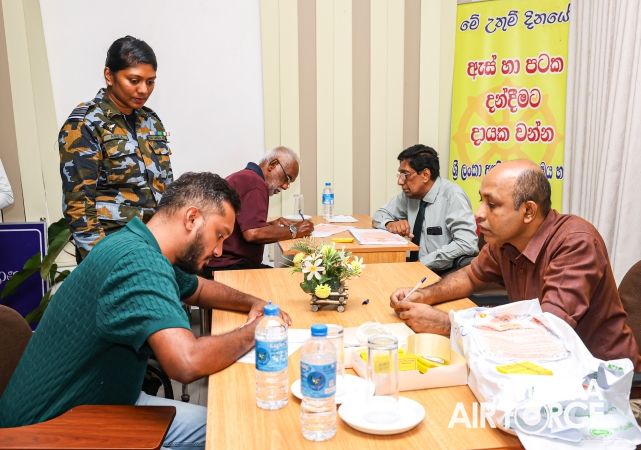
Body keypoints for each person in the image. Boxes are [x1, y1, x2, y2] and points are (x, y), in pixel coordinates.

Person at [0, 172, 292, 450]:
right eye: (219, 234)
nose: (219, 250)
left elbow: (198, 289)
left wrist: (256, 303)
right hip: (47, 432)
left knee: (234, 425)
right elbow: (187, 362)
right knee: (239, 433)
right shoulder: (139, 262)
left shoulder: (135, 245)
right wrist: (256, 331)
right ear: (192, 218)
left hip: (106, 403)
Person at [390, 159, 641, 371]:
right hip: (542, 365)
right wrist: (423, 295)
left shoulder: (575, 242)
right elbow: (469, 276)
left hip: (601, 378)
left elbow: (547, 335)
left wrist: (448, 324)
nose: (479, 213)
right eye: (481, 201)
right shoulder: (505, 240)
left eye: (492, 204)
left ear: (528, 211)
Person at [59, 36, 172, 263]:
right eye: (134, 80)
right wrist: (101, 262)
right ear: (109, 76)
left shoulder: (151, 121)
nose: (143, 90)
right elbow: (79, 205)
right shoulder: (86, 123)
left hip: (155, 247)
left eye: (150, 82)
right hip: (113, 249)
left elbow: (166, 187)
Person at [202, 146, 314, 276]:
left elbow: (243, 228)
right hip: (227, 267)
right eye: (287, 178)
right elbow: (253, 233)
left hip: (222, 264)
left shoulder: (245, 177)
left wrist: (270, 225)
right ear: (273, 165)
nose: (285, 186)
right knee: (292, 278)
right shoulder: (254, 183)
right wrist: (295, 230)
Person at [372, 144, 478, 275]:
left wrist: (422, 263)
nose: (400, 181)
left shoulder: (452, 196)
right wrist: (390, 223)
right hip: (415, 269)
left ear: (425, 175)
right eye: (400, 174)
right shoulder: (410, 195)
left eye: (405, 174)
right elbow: (380, 214)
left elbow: (467, 243)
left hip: (445, 273)